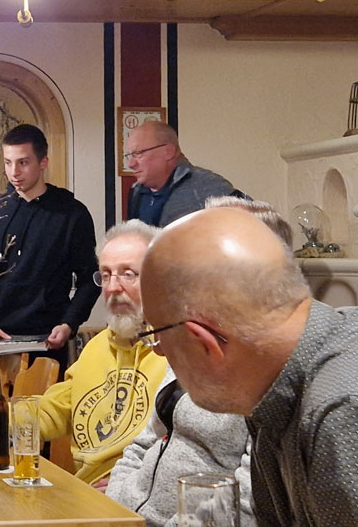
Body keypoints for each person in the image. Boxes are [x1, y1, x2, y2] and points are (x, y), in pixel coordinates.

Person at [141, 206, 358, 525]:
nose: (159, 352)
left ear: (203, 342)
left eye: (156, 335)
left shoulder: (341, 410)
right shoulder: (268, 384)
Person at [106, 196, 290, 526]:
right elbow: (143, 444)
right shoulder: (194, 337)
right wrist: (114, 508)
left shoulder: (272, 369)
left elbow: (250, 501)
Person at [37, 220, 168, 488]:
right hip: (84, 493)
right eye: (106, 275)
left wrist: (131, 486)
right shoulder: (98, 346)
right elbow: (51, 411)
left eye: (128, 274)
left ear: (159, 278)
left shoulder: (176, 352)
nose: (112, 287)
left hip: (137, 497)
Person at [0, 123, 99, 375]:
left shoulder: (72, 213)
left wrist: (69, 324)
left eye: (23, 162)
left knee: (45, 402)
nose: (14, 172)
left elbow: (91, 279)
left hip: (48, 340)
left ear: (43, 162)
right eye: (8, 163)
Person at [125, 120, 243, 227]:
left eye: (138, 154)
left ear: (168, 152)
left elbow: (250, 221)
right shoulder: (137, 192)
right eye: (130, 156)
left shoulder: (206, 186)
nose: (131, 164)